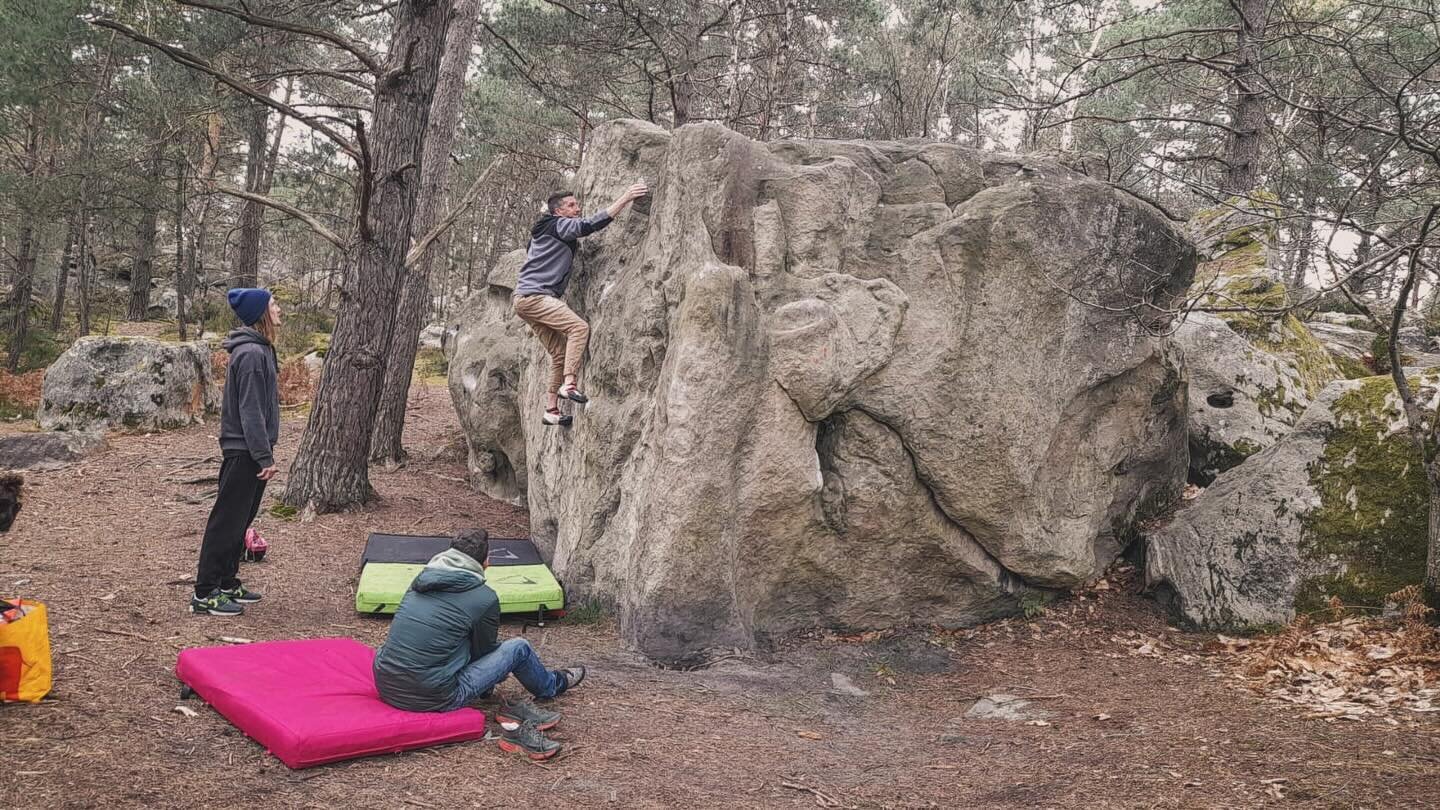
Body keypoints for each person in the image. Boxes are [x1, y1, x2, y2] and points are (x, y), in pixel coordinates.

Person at [373, 529, 586, 761]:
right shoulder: (484, 598)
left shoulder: (419, 584)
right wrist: (488, 683)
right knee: (518, 648)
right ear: (485, 562)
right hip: (435, 697)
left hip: (385, 684)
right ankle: (552, 685)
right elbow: (484, 652)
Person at [514, 183, 648, 426]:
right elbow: (589, 225)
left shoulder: (542, 231)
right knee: (579, 328)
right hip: (536, 297)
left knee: (559, 353)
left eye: (577, 204)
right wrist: (626, 197)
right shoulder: (559, 225)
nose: (578, 208)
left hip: (524, 300)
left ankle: (551, 410)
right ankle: (569, 384)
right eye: (571, 205)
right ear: (558, 211)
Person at [190, 288, 282, 617]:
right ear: (261, 313)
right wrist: (263, 456)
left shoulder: (260, 350)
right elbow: (251, 411)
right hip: (244, 451)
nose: (279, 309)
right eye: (274, 305)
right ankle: (205, 592)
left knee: (241, 520)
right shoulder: (253, 356)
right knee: (227, 522)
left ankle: (227, 582)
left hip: (250, 450)